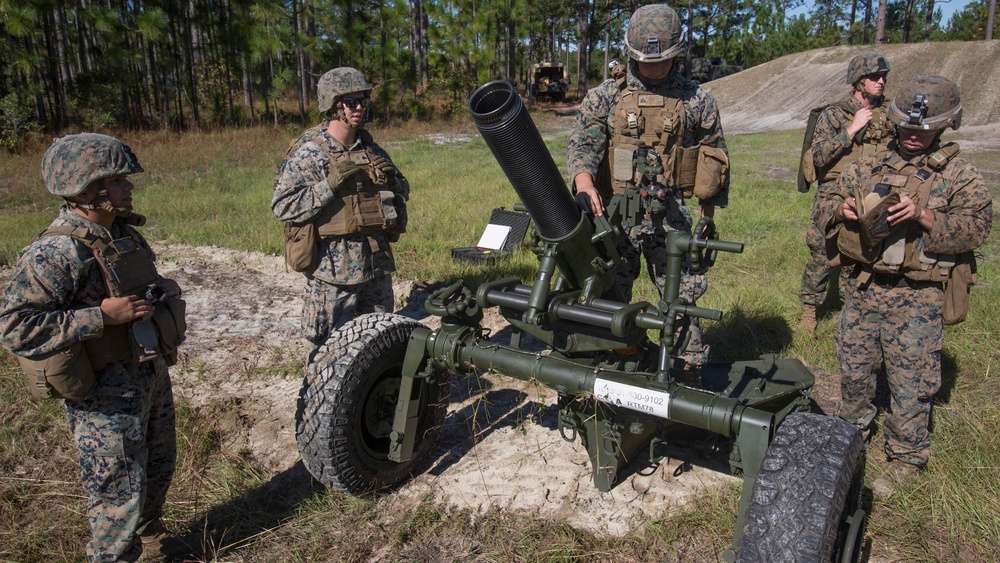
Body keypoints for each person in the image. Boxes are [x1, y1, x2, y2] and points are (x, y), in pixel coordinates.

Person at [0, 133, 188, 560]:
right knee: (116, 494)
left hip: (147, 372)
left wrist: (161, 290)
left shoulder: (123, 234)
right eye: (118, 179)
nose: (129, 186)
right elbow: (14, 327)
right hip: (104, 393)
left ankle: (154, 544)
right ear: (88, 190)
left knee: (158, 469)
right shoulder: (56, 251)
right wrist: (99, 316)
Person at [818, 75, 992, 498]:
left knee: (911, 379)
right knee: (854, 369)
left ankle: (906, 455)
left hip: (917, 297)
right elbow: (824, 203)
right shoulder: (868, 162)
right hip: (863, 287)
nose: (914, 136)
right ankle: (848, 434)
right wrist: (840, 210)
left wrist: (925, 216)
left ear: (945, 126)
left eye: (925, 129)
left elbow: (978, 227)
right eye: (908, 127)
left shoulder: (959, 174)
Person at [567, 3, 730, 370]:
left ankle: (687, 370)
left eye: (662, 60)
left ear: (677, 53)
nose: (654, 68)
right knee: (607, 294)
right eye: (645, 61)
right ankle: (610, 363)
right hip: (613, 215)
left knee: (683, 296)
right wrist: (583, 182)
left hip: (669, 216)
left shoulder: (697, 101)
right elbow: (583, 144)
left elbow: (713, 160)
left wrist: (705, 219)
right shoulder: (606, 96)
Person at [272, 67, 409, 359]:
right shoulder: (312, 154)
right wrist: (329, 186)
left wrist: (394, 182)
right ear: (334, 108)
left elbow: (403, 190)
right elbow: (282, 206)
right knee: (326, 355)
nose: (359, 107)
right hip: (333, 273)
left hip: (376, 267)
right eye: (351, 102)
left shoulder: (373, 151)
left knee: (379, 345)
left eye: (362, 101)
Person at [798, 52, 893, 333]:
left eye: (883, 77)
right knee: (822, 253)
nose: (881, 82)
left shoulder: (888, 115)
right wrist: (850, 130)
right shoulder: (834, 114)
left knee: (867, 251)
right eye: (874, 77)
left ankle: (855, 313)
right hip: (835, 192)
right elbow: (817, 157)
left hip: (873, 194)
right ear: (858, 81)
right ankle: (809, 310)